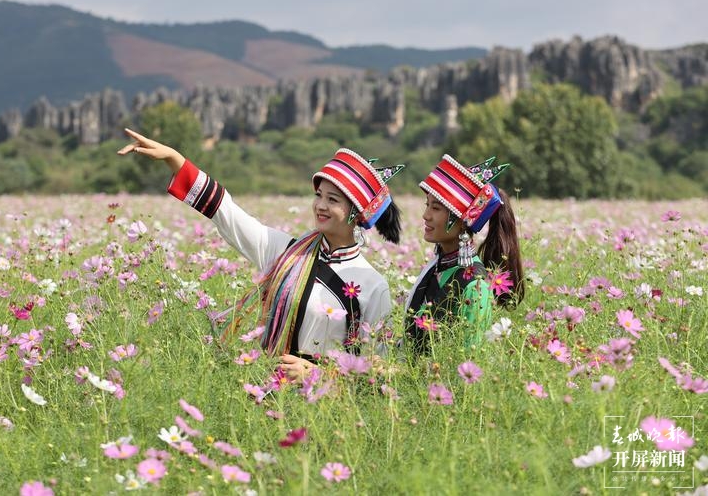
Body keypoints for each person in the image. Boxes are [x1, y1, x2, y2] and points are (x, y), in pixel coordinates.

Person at [118, 128, 403, 380]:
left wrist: (319, 374)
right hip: (267, 392)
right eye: (318, 196)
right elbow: (227, 214)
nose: (320, 206)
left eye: (332, 199)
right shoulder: (289, 253)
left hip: (328, 410)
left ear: (356, 212)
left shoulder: (371, 285)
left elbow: (379, 366)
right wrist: (175, 160)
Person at [404, 154, 524, 354]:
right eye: (427, 205)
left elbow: (468, 362)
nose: (426, 215)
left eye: (436, 208)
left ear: (462, 220)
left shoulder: (474, 287)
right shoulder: (435, 268)